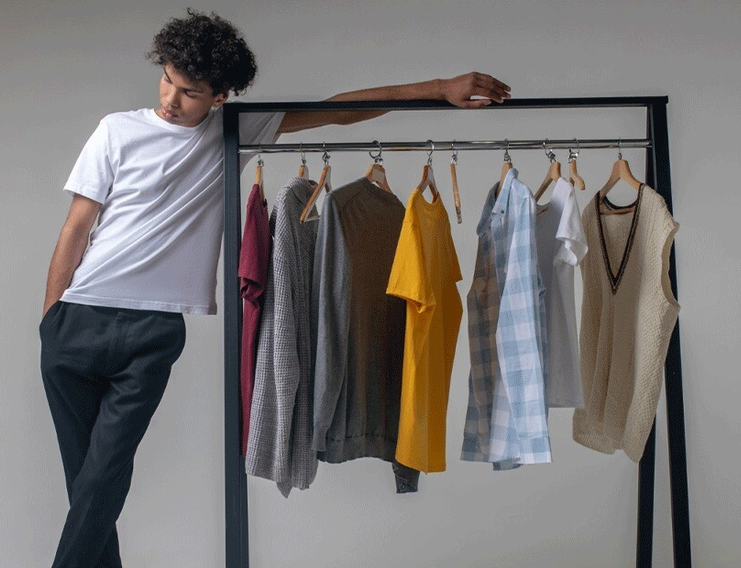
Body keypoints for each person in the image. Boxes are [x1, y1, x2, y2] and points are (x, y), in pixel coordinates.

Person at [38, 8, 512, 567]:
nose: (170, 98)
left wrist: (439, 89)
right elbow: (76, 226)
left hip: (152, 328)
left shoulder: (234, 129)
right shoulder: (116, 130)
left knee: (105, 474)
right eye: (166, 79)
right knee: (88, 486)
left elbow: (339, 112)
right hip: (78, 319)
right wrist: (50, 323)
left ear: (220, 96)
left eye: (189, 91)